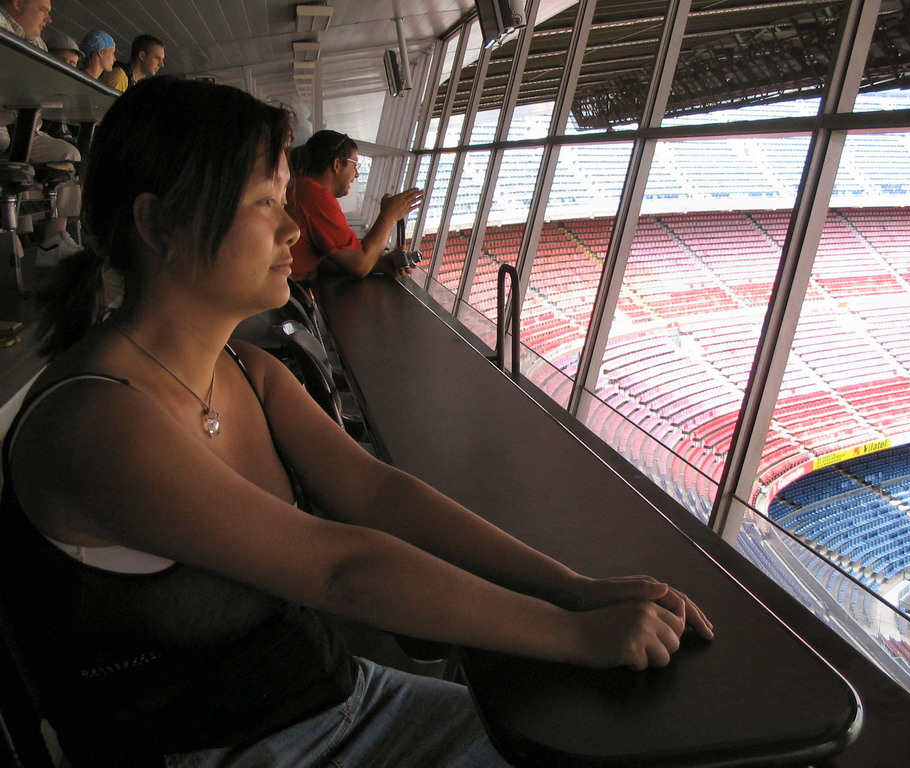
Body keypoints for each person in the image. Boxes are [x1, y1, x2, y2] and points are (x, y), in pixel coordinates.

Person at [0, 77, 712, 768]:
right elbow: (341, 570)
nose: (290, 225)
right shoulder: (99, 422)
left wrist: (573, 587)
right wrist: (572, 634)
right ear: (159, 223)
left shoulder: (248, 369)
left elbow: (378, 494)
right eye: (263, 202)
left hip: (340, 701)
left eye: (287, 200)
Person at [0, 0, 82, 266]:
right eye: (43, 9)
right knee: (9, 153)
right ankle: (12, 239)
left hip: (28, 129)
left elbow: (52, 87)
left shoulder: (37, 45)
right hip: (1, 125)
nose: (48, 19)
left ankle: (53, 239)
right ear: (17, 3)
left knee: (70, 152)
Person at [286, 129, 424, 281]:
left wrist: (379, 264)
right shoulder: (316, 198)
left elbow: (325, 261)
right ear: (337, 164)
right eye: (355, 165)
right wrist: (389, 215)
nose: (357, 174)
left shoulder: (302, 189)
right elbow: (359, 265)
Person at [100, 33, 165, 90]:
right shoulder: (119, 77)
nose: (161, 64)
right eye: (157, 58)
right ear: (142, 56)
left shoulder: (133, 83)